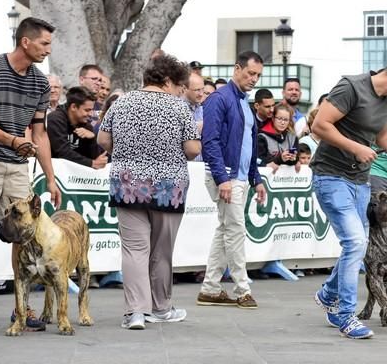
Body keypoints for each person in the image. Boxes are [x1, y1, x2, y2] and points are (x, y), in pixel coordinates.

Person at [310, 52, 387, 339]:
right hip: (331, 176)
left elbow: (381, 135)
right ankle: (346, 315)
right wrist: (355, 148)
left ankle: (328, 294)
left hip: (359, 179)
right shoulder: (350, 87)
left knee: (358, 244)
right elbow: (320, 125)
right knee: (356, 241)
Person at [0, 17, 61, 335]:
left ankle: (20, 307)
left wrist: (50, 178)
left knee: (23, 235)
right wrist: (12, 140)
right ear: (26, 42)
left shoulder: (39, 83)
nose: (48, 50)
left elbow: (40, 133)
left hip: (18, 165)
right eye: (44, 43)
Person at [97, 54, 201, 330]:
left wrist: (126, 156)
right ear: (167, 81)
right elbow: (192, 149)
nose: (181, 91)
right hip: (169, 187)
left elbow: (103, 139)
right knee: (161, 251)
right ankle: (161, 308)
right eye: (180, 86)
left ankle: (136, 313)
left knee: (134, 250)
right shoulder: (180, 109)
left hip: (128, 184)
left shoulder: (122, 103)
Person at [196, 51, 267, 309]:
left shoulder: (243, 103)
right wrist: (222, 178)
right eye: (250, 73)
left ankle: (210, 288)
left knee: (226, 231)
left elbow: (249, 145)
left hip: (237, 176)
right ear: (237, 68)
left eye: (258, 75)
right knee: (235, 231)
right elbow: (210, 141)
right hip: (226, 176)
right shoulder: (219, 99)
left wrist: (256, 178)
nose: (254, 79)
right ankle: (242, 290)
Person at [47, 86, 108, 169]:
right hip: (56, 172)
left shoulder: (86, 125)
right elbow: (62, 152)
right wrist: (91, 163)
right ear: (74, 107)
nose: (90, 114)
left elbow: (95, 158)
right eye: (87, 110)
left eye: (91, 110)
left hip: (76, 176)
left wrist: (92, 139)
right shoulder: (55, 119)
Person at [257, 104, 300, 173]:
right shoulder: (262, 137)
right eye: (279, 119)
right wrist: (280, 158)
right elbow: (260, 160)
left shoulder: (293, 137)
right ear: (273, 118)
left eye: (286, 120)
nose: (282, 123)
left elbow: (296, 157)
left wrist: (294, 159)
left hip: (287, 179)